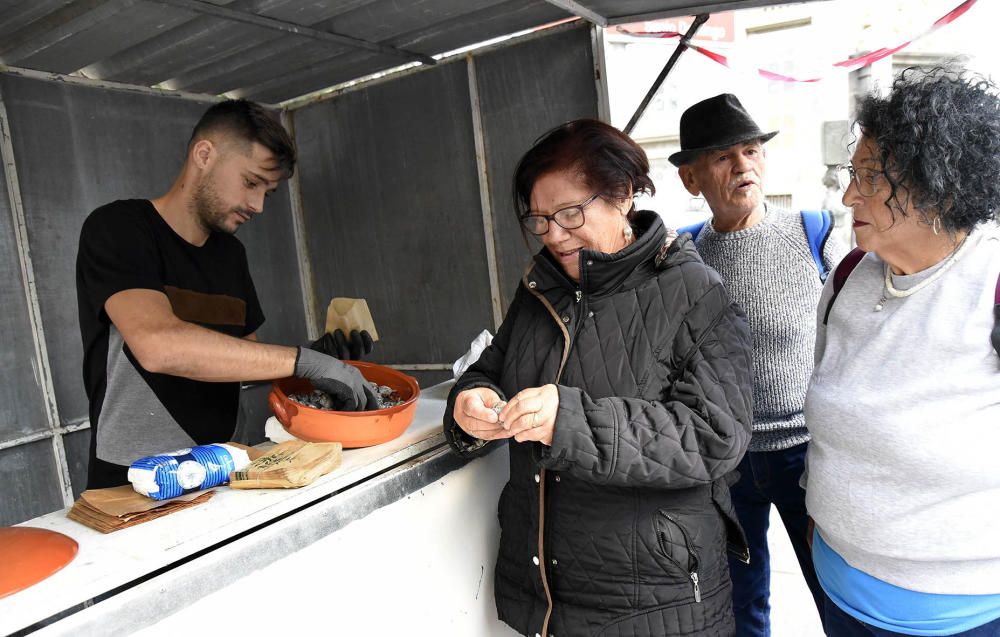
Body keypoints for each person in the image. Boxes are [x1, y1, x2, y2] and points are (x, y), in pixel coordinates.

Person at [444, 119, 754, 637]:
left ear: (624, 194)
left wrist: (569, 421)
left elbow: (715, 434)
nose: (555, 235)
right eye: (539, 219)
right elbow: (491, 367)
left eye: (569, 213)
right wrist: (472, 398)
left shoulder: (694, 291)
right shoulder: (541, 289)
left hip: (657, 605)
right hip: (547, 599)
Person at [77, 99, 374, 489]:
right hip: (135, 482)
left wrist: (318, 356)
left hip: (225, 468)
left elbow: (240, 362)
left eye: (267, 192)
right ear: (204, 154)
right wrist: (300, 361)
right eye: (251, 182)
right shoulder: (120, 228)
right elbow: (157, 345)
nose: (258, 205)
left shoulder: (231, 255)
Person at [805, 66, 1000, 637]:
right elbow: (826, 419)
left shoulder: (992, 286)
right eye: (851, 173)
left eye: (869, 178)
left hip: (967, 615)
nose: (847, 195)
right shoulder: (845, 277)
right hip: (841, 594)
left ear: (936, 187)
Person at [670, 93, 844, 635]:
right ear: (692, 179)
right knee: (741, 604)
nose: (744, 166)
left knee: (834, 593)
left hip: (807, 457)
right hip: (728, 462)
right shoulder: (687, 255)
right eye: (723, 157)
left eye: (750, 151)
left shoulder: (814, 233)